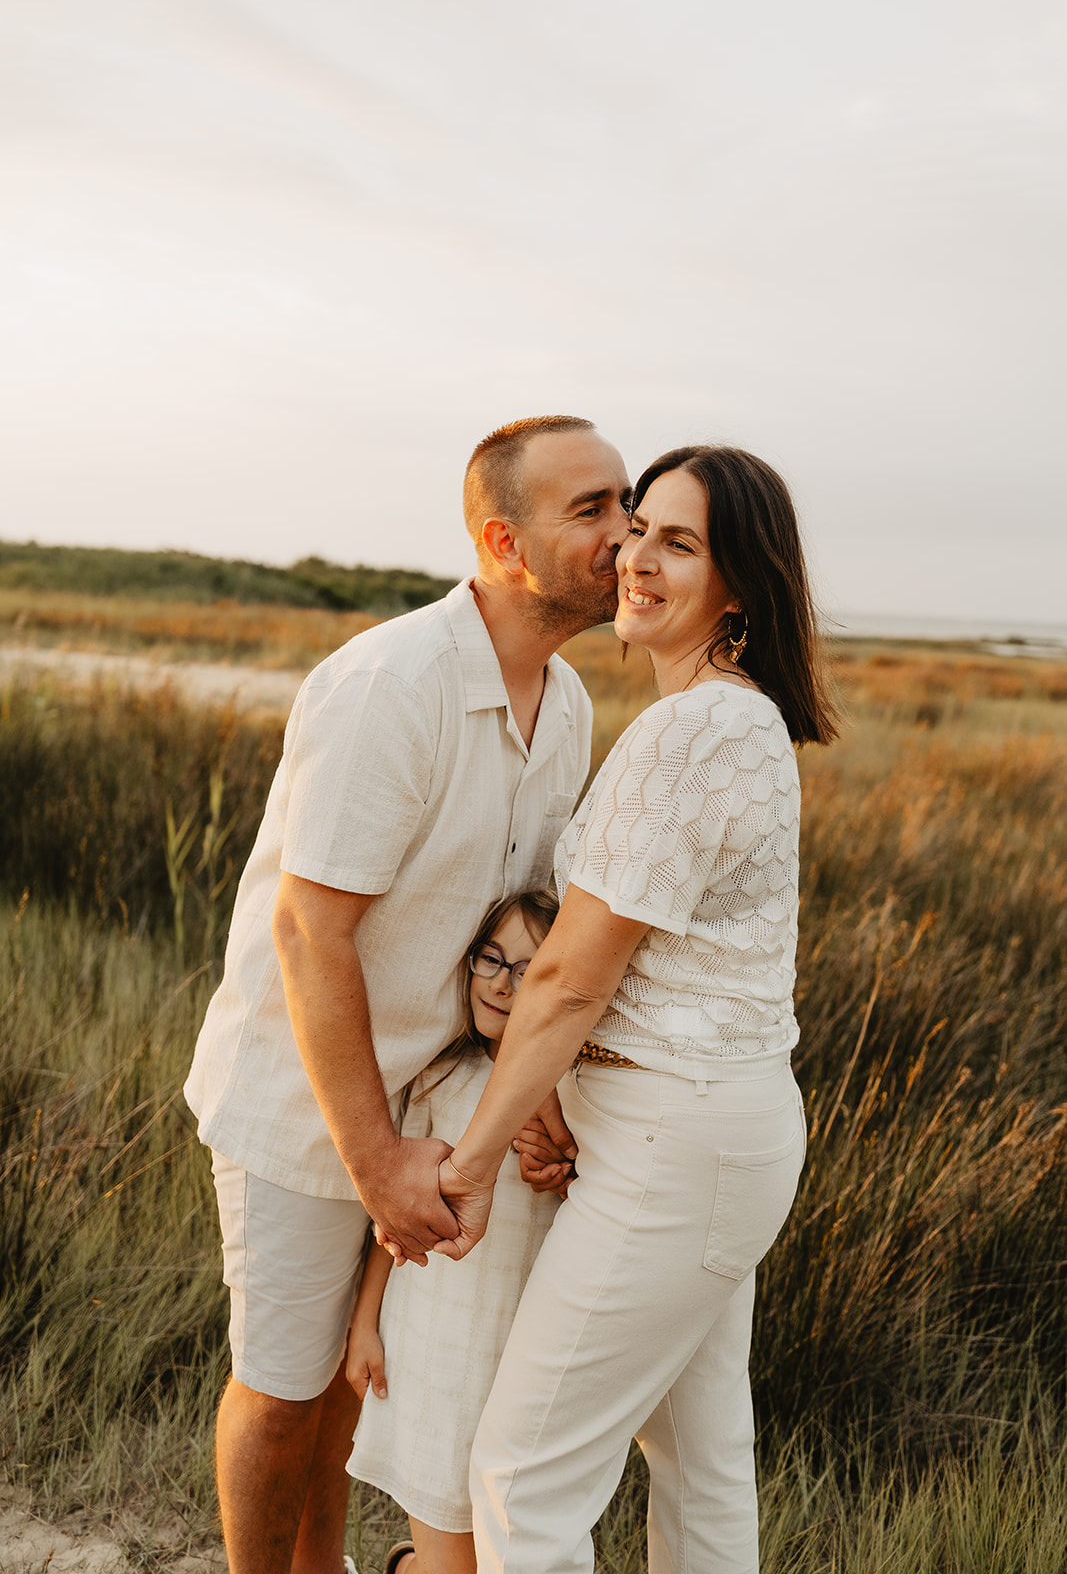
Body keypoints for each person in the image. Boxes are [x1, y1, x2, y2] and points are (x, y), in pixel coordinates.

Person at [182, 415, 631, 1574]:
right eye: (590, 509)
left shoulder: (568, 706)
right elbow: (309, 929)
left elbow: (516, 935)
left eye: (624, 503)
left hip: (438, 1110)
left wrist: (524, 1094)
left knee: (352, 1385)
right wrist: (376, 1157)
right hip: (307, 1105)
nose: (623, 533)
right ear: (501, 539)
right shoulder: (391, 684)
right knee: (282, 1390)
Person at [422, 444, 840, 1574]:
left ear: (739, 583)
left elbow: (568, 977)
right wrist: (556, 1092)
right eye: (637, 527)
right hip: (703, 1135)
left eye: (678, 542)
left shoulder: (696, 728)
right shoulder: (723, 720)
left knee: (523, 1472)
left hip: (676, 1142)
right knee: (700, 1465)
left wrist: (467, 1161)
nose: (634, 557)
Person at [346, 889, 561, 1574]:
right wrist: (366, 1322)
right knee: (449, 1545)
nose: (501, 980)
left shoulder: (570, 1094)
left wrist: (557, 1169)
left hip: (515, 1351)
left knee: (501, 1541)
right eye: (489, 958)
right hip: (432, 1342)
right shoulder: (442, 1077)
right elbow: (398, 1223)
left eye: (528, 969)